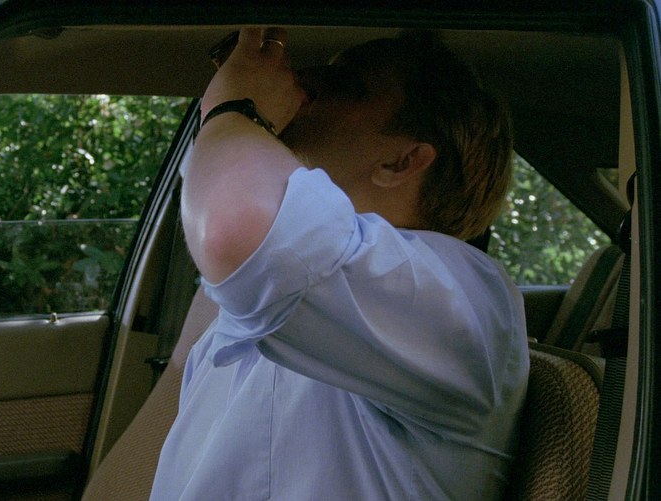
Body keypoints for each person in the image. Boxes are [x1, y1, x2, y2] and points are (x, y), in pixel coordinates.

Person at [150, 27, 529, 500]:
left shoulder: (461, 292)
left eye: (345, 84)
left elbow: (237, 227)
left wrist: (234, 110)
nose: (305, 86)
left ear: (402, 161)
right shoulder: (265, 295)